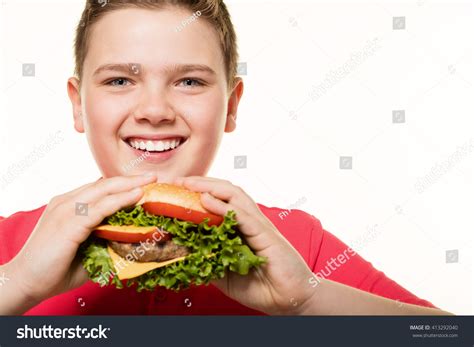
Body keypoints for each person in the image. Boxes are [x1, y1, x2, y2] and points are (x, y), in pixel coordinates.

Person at [0, 0, 450, 315]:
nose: (155, 111)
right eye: (119, 80)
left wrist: (309, 300)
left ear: (231, 105)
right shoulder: (14, 244)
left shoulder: (293, 243)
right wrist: (16, 286)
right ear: (78, 104)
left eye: (190, 82)